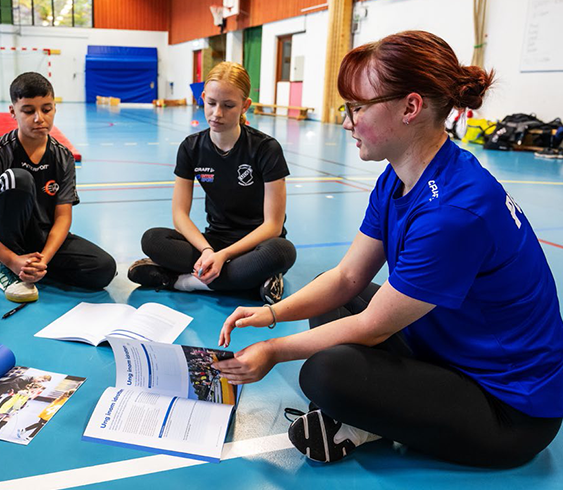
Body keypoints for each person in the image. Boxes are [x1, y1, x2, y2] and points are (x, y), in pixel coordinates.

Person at [213, 31, 563, 468]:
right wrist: (271, 315)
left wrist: (272, 349)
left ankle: (369, 423)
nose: (346, 122)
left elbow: (372, 328)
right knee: (331, 293)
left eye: (357, 108)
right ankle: (379, 415)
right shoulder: (400, 176)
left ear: (410, 108)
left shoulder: (454, 213)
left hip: (508, 409)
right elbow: (347, 278)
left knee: (325, 373)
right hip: (447, 349)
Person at [128, 62, 296, 303]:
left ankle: (181, 281)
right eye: (212, 103)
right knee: (152, 239)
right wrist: (207, 251)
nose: (217, 113)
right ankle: (249, 282)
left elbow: (273, 226)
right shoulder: (191, 147)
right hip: (214, 241)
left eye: (228, 105)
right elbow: (179, 215)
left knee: (282, 252)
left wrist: (224, 256)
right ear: (203, 98)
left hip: (257, 245)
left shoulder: (265, 149)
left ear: (245, 106)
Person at [0, 72, 116, 303]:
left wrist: (44, 259)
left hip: (41, 238)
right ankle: (9, 264)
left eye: (46, 109)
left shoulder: (63, 156)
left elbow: (63, 217)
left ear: (55, 108)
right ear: (13, 112)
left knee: (103, 269)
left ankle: (27, 267)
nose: (39, 118)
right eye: (28, 111)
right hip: (5, 237)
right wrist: (11, 258)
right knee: (18, 179)